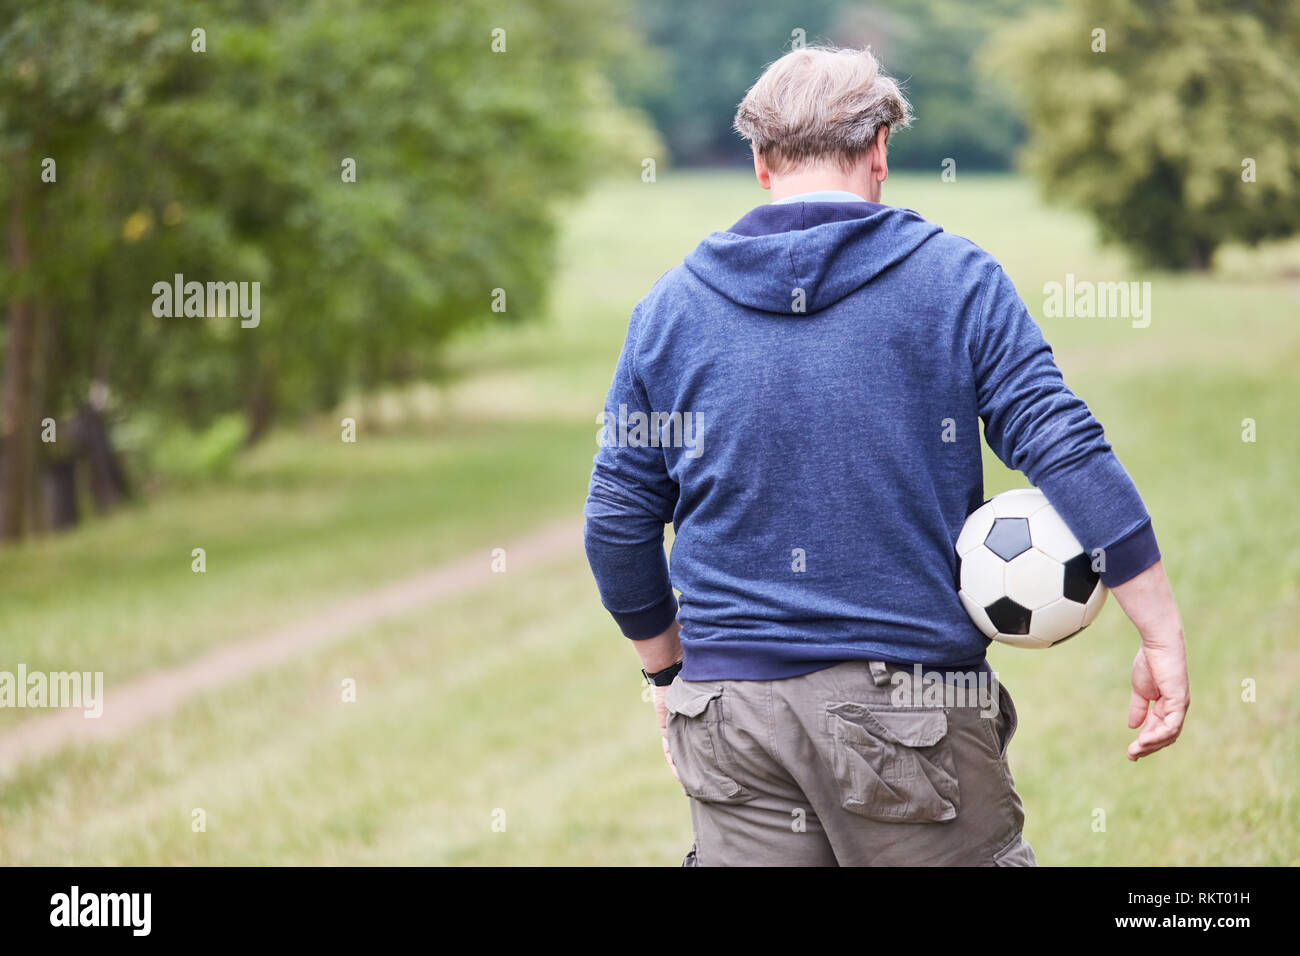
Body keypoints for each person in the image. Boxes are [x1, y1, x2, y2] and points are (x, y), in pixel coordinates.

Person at [582, 45, 1188, 866]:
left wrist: (666, 674)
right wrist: (1158, 629)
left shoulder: (667, 311)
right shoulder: (957, 281)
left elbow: (617, 522)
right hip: (912, 710)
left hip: (728, 713)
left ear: (761, 162)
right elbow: (1062, 443)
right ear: (880, 151)